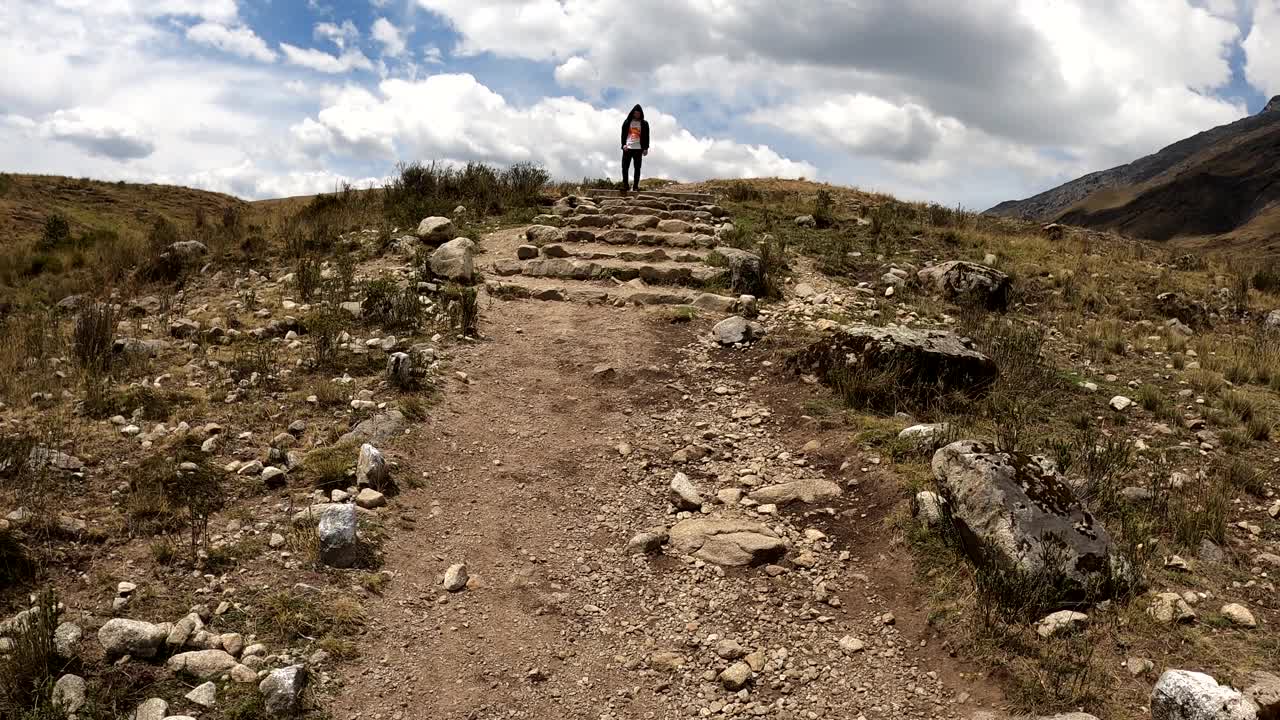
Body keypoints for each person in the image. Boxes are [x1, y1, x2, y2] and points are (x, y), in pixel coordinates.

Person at [620, 104, 650, 193]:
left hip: (638, 148)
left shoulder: (644, 123)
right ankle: (625, 186)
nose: (637, 115)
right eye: (635, 113)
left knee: (637, 168)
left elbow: (647, 136)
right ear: (633, 113)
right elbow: (623, 134)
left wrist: (646, 148)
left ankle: (636, 187)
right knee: (624, 167)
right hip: (628, 147)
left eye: (638, 113)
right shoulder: (627, 122)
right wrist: (623, 145)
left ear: (641, 114)